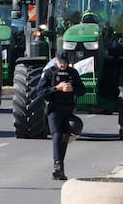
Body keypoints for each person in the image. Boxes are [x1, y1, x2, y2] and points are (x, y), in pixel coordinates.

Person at [36, 49, 86, 180]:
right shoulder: (49, 73)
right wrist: (57, 88)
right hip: (54, 110)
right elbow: (40, 92)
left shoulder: (73, 73)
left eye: (66, 62)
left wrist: (73, 89)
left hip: (68, 110)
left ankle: (59, 169)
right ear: (56, 60)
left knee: (66, 137)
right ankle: (57, 165)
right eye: (61, 62)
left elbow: (82, 90)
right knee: (57, 136)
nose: (63, 65)